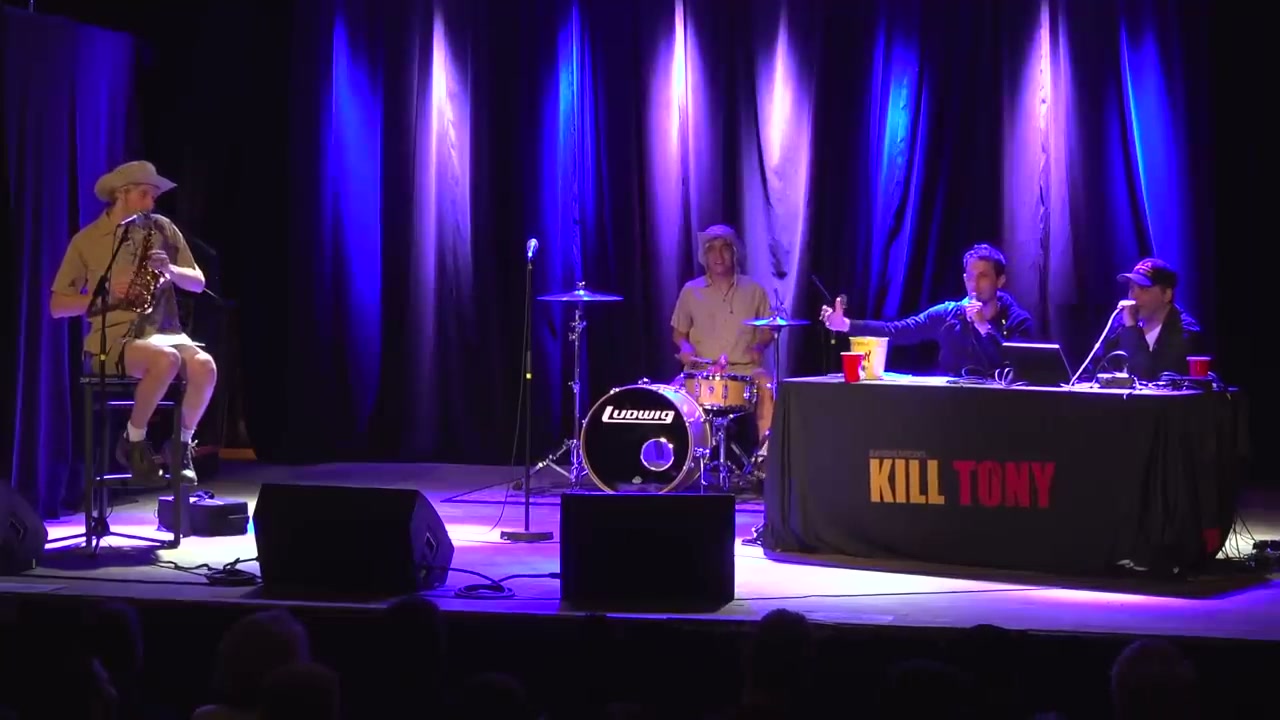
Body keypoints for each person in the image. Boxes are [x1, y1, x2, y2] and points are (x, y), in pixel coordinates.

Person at [49, 160, 216, 486]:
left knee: (205, 367)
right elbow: (57, 306)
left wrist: (170, 271)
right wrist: (106, 297)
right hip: (113, 339)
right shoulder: (88, 240)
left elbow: (197, 282)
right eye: (145, 194)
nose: (151, 203)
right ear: (122, 193)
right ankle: (134, 441)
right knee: (165, 361)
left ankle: (180, 445)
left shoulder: (162, 229)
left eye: (154, 196)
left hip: (165, 333)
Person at [819, 243, 1034, 376]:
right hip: (951, 408)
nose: (974, 284)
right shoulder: (948, 314)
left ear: (1000, 280)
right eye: (970, 276)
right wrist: (845, 324)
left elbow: (1018, 368)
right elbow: (896, 331)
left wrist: (983, 326)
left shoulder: (1018, 321)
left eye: (983, 276)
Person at [671, 225, 775, 442]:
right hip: (701, 371)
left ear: (735, 253)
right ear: (704, 255)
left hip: (744, 370)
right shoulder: (690, 290)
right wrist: (685, 348)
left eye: (725, 248)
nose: (718, 256)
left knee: (767, 385)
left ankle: (764, 457)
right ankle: (686, 457)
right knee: (670, 395)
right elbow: (678, 333)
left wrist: (759, 346)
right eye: (711, 249)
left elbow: (769, 329)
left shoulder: (754, 290)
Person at [1098, 258, 1202, 380]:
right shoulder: (1121, 323)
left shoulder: (1185, 330)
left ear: (1166, 295)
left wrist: (1131, 329)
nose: (1134, 296)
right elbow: (1094, 369)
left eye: (1144, 289)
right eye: (1132, 288)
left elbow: (1149, 377)